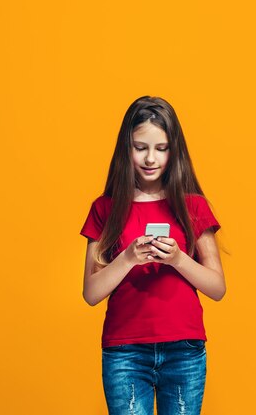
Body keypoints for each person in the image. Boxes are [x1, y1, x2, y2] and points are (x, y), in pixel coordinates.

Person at [79, 95, 226, 415]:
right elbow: (91, 294)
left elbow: (217, 288)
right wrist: (128, 257)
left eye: (161, 148)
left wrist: (178, 259)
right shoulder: (104, 208)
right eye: (140, 147)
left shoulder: (193, 206)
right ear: (125, 149)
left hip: (184, 351)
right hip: (125, 353)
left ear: (175, 151)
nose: (150, 158)